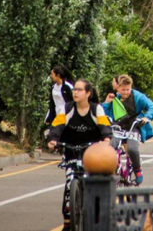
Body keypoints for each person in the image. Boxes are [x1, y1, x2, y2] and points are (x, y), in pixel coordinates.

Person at [48, 80, 112, 230]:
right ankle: (68, 220)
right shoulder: (67, 108)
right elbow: (57, 125)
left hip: (92, 153)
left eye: (79, 89)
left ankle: (97, 216)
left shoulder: (97, 110)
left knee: (95, 182)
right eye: (74, 89)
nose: (75, 92)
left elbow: (105, 127)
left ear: (88, 93)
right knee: (70, 183)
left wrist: (106, 140)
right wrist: (52, 140)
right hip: (71, 150)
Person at [103, 74, 153, 185]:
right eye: (123, 90)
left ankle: (137, 169)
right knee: (110, 149)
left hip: (134, 127)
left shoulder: (138, 97)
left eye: (128, 89)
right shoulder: (114, 98)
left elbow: (152, 106)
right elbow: (102, 112)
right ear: (117, 88)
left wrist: (147, 117)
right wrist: (106, 103)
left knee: (132, 149)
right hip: (118, 128)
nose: (125, 92)